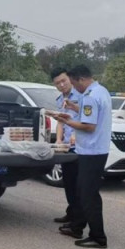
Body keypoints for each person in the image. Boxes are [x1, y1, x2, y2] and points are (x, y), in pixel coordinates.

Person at [47, 65, 112, 248]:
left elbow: (89, 126)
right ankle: (80, 228)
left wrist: (68, 121)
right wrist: (74, 108)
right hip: (97, 150)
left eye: (74, 83)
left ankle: (98, 237)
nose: (74, 87)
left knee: (88, 195)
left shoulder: (90, 96)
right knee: (86, 193)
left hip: (91, 151)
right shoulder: (101, 91)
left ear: (81, 79)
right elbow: (90, 113)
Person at [49, 67, 80, 225]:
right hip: (66, 148)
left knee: (77, 184)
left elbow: (85, 119)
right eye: (57, 83)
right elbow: (60, 121)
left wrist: (76, 134)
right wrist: (59, 139)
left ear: (70, 79)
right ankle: (71, 212)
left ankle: (77, 217)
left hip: (80, 148)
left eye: (63, 81)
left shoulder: (80, 96)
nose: (61, 85)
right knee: (68, 182)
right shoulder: (60, 100)